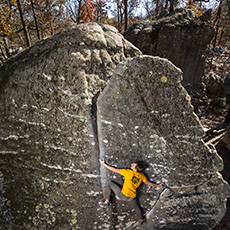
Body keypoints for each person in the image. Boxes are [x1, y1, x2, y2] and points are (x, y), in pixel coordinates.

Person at [99, 159, 164, 224]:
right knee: (136, 207)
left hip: (123, 195)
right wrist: (158, 186)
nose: (131, 164)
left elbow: (114, 169)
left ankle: (107, 200)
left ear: (135, 169)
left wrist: (104, 164)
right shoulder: (142, 176)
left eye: (133, 165)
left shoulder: (128, 172)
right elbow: (148, 183)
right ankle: (141, 220)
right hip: (132, 197)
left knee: (109, 183)